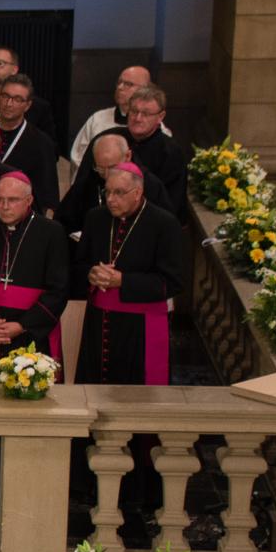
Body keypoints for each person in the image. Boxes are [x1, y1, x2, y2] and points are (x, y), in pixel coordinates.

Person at [0, 172, 70, 490]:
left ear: (30, 201)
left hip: (28, 336)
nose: (4, 206)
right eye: (0, 200)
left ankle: (25, 477)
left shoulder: (50, 232)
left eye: (13, 200)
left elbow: (58, 289)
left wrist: (22, 325)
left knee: (25, 406)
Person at [75, 164, 186, 387]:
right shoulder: (95, 218)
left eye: (119, 193)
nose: (111, 199)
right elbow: (77, 264)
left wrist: (123, 281)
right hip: (98, 323)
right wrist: (91, 273)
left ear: (137, 193)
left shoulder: (164, 224)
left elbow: (172, 282)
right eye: (107, 191)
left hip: (140, 328)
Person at [58, 132, 173, 228]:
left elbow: (165, 228)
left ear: (128, 156)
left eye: (113, 167)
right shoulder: (87, 183)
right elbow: (63, 222)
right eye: (101, 168)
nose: (108, 175)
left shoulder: (150, 185)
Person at [67, 65, 166, 171]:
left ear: (145, 89)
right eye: (119, 82)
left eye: (128, 84)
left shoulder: (157, 129)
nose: (120, 87)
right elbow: (78, 158)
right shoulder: (97, 119)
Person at [117, 85, 187, 206]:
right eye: (134, 111)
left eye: (146, 113)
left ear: (160, 117)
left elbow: (172, 202)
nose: (138, 118)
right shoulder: (113, 139)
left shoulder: (171, 152)